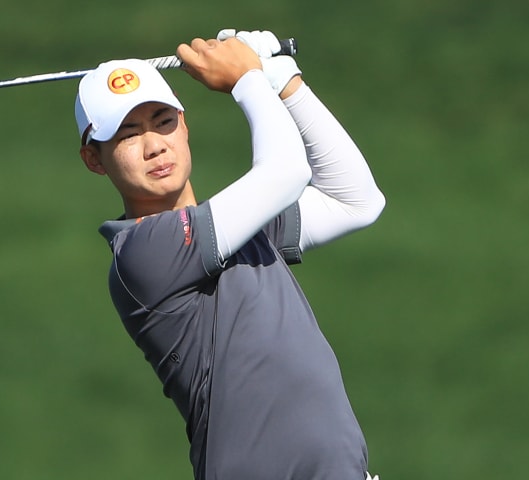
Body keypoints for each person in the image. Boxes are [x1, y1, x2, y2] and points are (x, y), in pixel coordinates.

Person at [74, 28, 385, 480]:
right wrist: (248, 79)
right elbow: (286, 172)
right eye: (127, 134)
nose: (154, 145)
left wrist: (283, 76)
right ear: (94, 159)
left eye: (163, 121)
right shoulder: (141, 252)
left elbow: (356, 201)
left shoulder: (237, 228)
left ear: (184, 125)